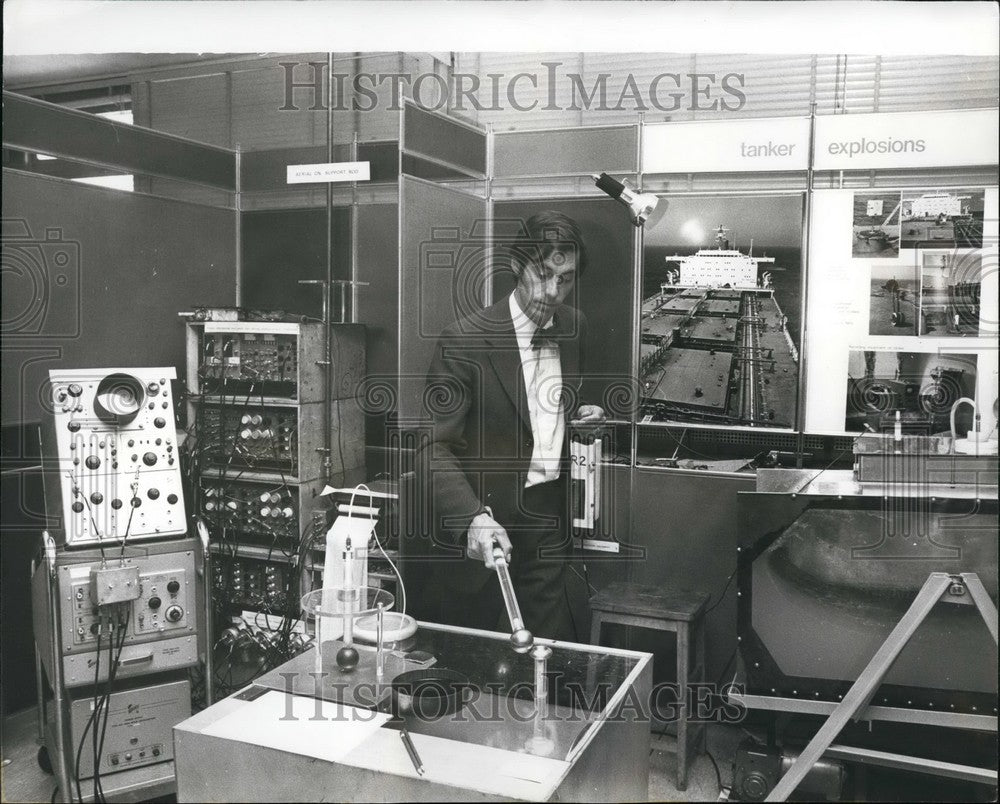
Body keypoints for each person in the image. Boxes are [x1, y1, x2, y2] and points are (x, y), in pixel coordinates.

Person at [416, 211, 605, 642]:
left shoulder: (576, 328)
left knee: (540, 656)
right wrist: (472, 520)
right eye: (543, 274)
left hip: (547, 517)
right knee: (469, 659)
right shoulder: (463, 339)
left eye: (567, 279)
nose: (554, 292)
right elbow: (433, 448)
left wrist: (580, 420)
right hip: (484, 520)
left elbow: (541, 412)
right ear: (517, 265)